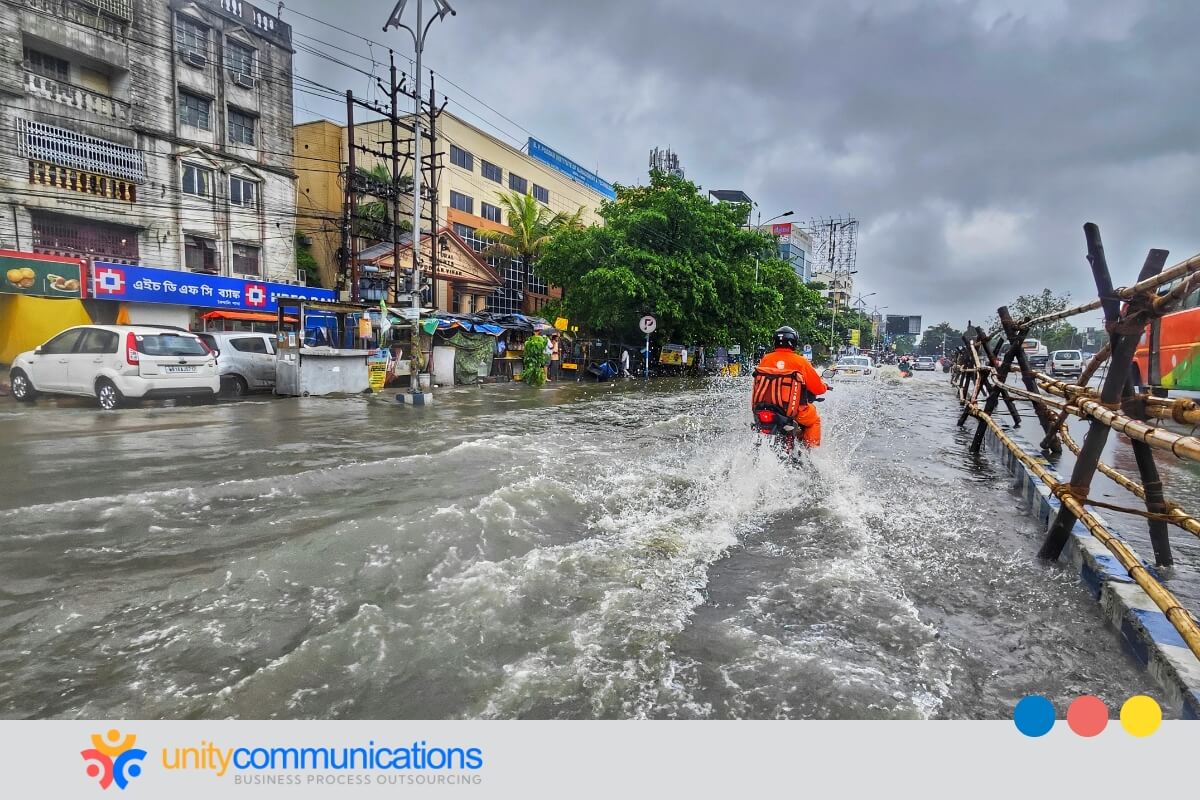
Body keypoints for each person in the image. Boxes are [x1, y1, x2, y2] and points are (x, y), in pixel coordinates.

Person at [752, 326, 828, 448]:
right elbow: (818, 389)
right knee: (814, 421)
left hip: (764, 409)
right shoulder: (800, 361)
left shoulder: (766, 359)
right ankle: (810, 453)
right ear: (793, 342)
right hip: (792, 411)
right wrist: (824, 387)